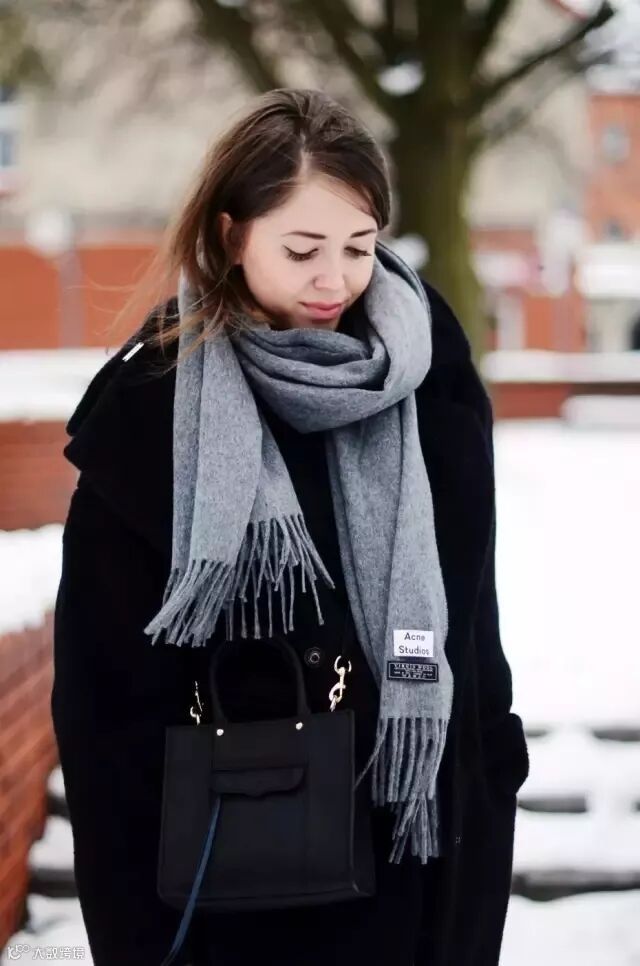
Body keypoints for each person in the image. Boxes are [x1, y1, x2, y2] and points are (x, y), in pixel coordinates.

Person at [51, 87, 530, 966]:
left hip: (422, 858)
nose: (334, 279)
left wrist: (489, 794)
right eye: (302, 249)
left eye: (359, 246)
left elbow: (475, 627)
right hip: (236, 891)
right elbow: (101, 707)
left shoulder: (432, 378)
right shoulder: (152, 411)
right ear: (232, 234)